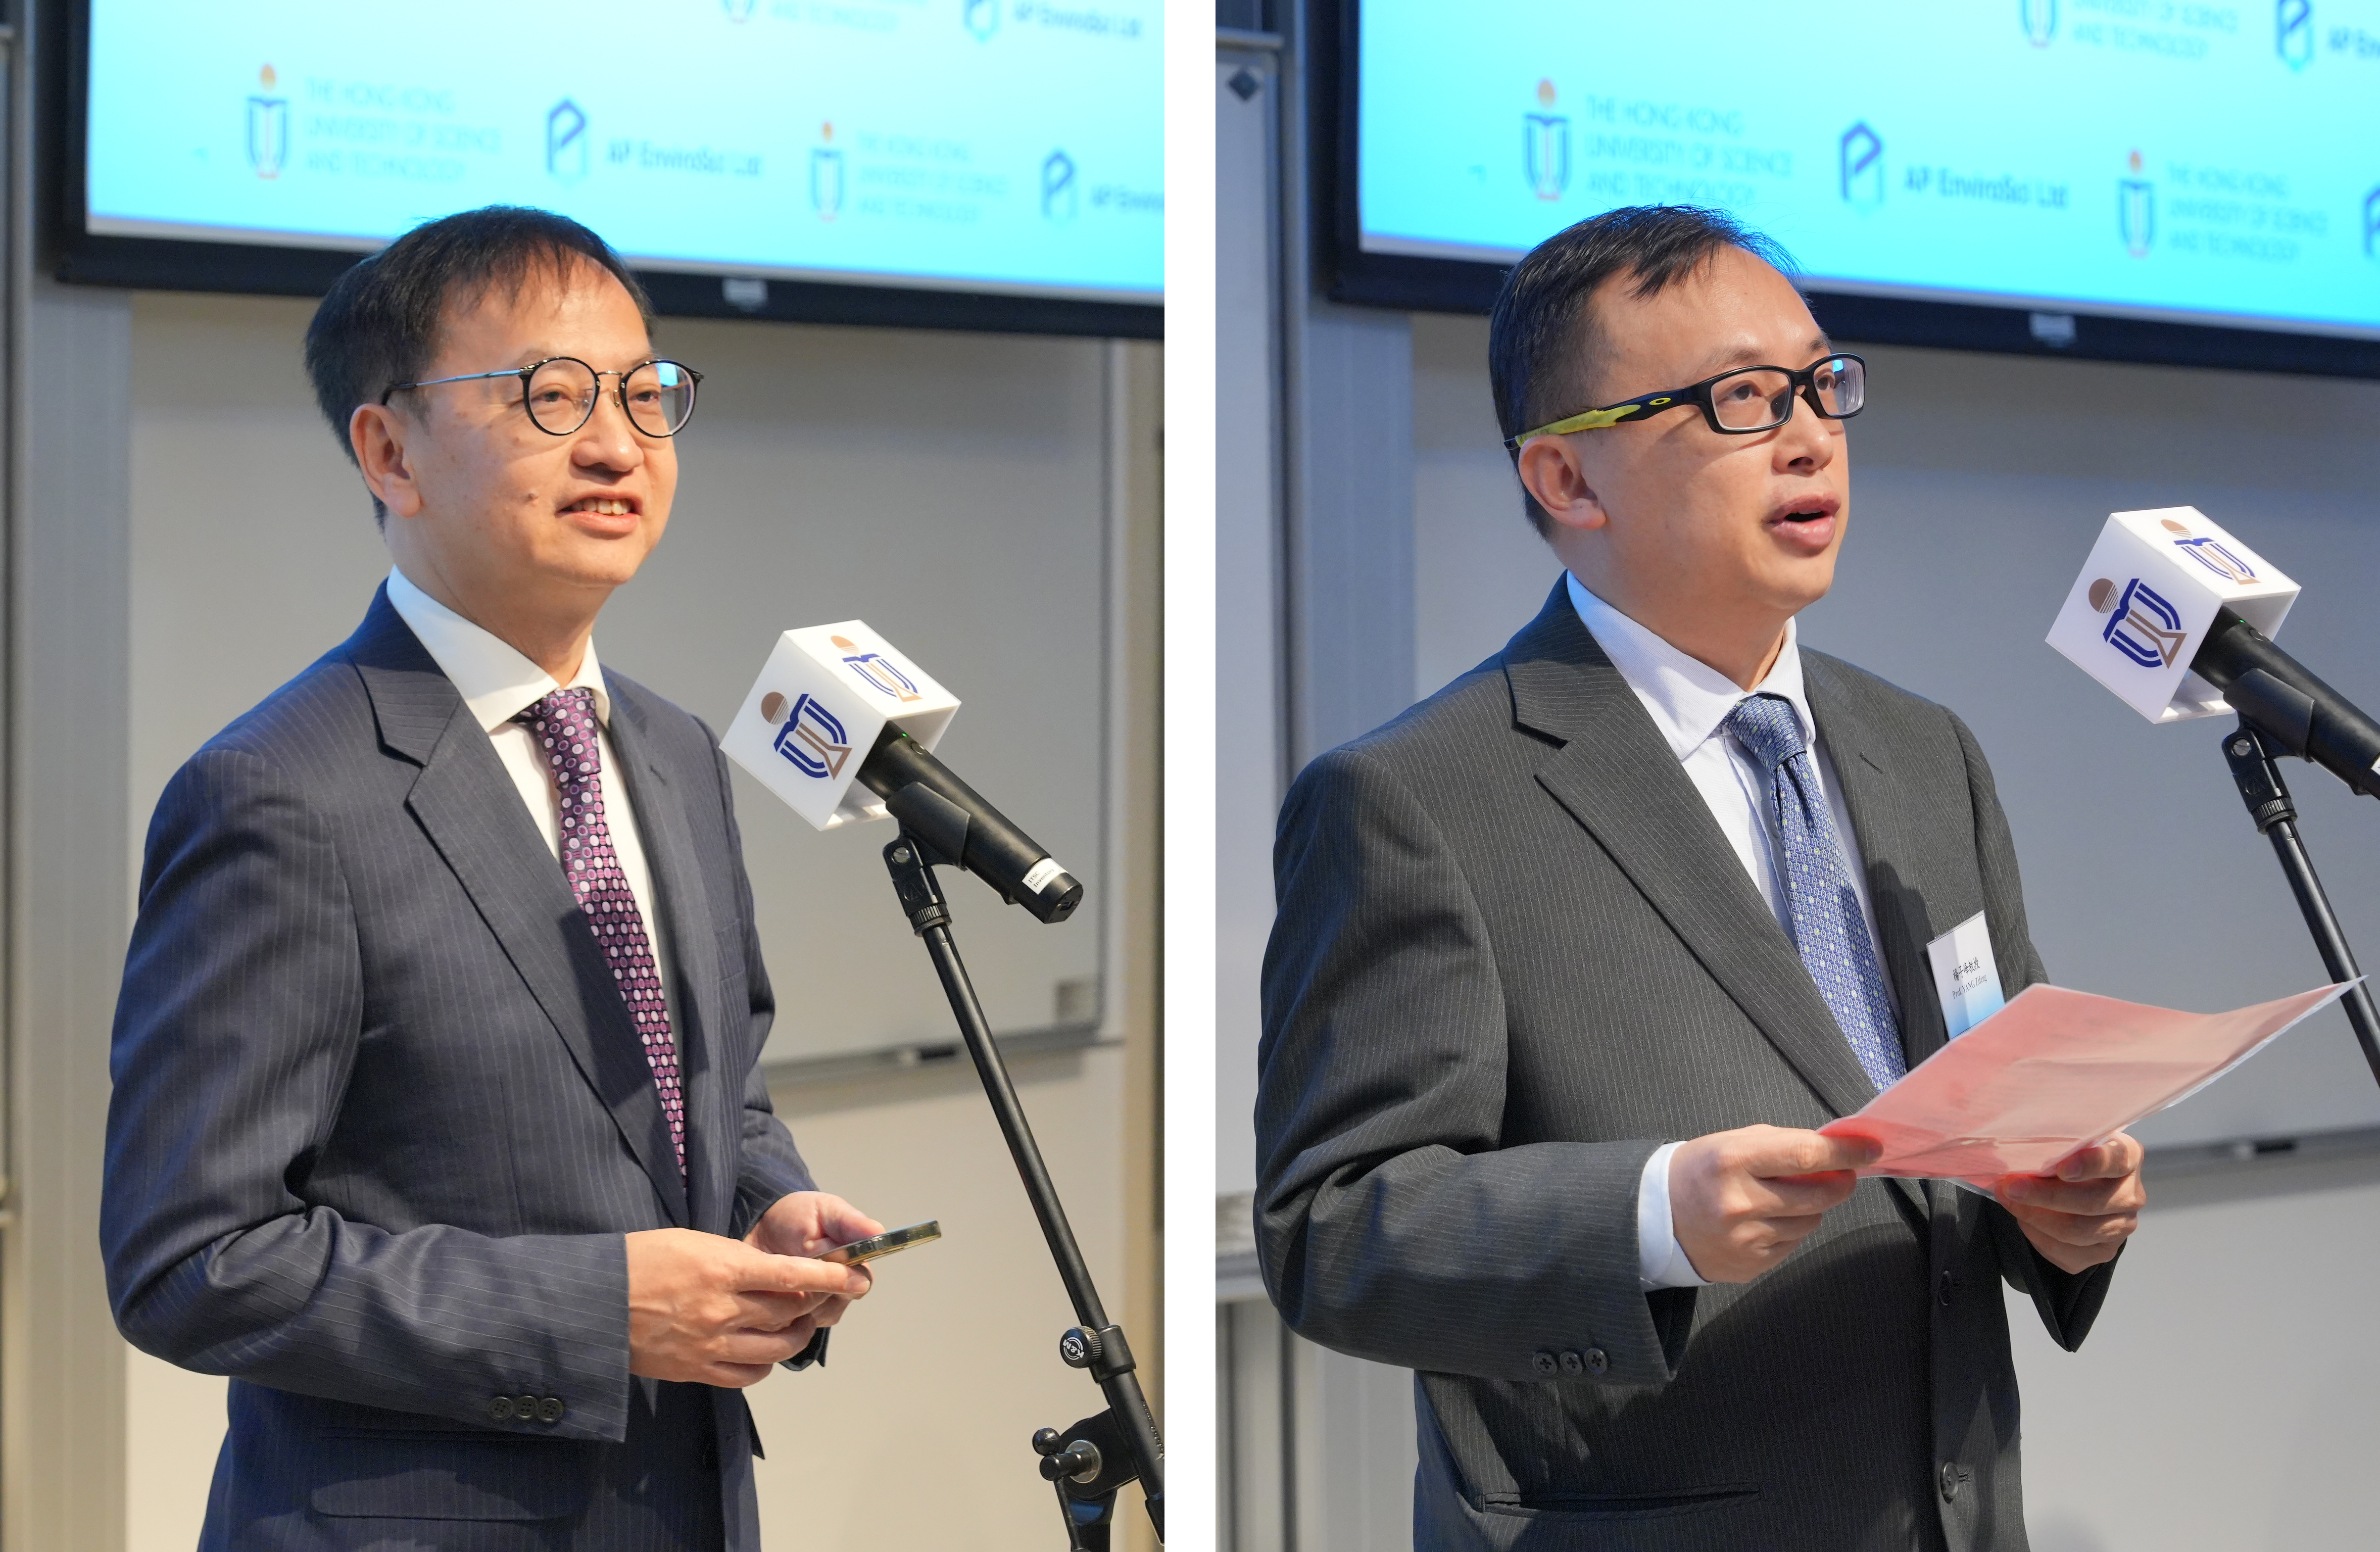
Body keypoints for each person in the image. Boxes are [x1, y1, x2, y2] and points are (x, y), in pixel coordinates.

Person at [1254, 206, 2145, 1551]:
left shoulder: (1926, 753)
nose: (1810, 435)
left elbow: (1996, 1111)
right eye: (1740, 399)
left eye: (1819, 384)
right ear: (1568, 478)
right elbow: (1331, 1231)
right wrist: (1648, 1217)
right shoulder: (1414, 799)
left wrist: (2065, 1212)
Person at [101, 206, 879, 1551]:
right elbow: (193, 1261)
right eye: (549, 394)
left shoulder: (676, 751)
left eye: (644, 394)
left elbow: (715, 1089)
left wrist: (769, 1211)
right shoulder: (279, 793)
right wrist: (599, 1312)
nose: (617, 444)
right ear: (389, 450)